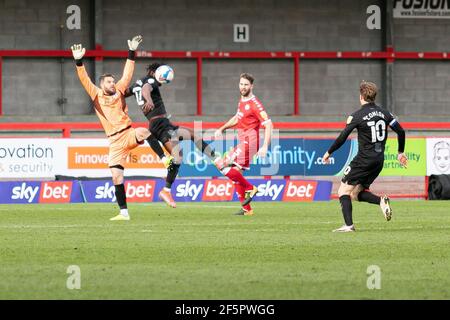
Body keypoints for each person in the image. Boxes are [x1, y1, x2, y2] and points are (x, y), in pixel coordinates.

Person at [71, 35, 149, 221]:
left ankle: (166, 158)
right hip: (114, 142)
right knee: (116, 177)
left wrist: (131, 52)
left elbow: (127, 74)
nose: (112, 84)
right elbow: (84, 79)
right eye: (108, 82)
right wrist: (78, 61)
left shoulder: (120, 89)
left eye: (113, 81)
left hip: (128, 132)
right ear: (101, 85)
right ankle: (124, 213)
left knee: (146, 131)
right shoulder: (95, 94)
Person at [125, 62, 220, 208]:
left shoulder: (138, 83)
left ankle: (217, 159)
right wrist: (149, 100)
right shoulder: (150, 81)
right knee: (178, 155)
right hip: (159, 124)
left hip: (163, 123)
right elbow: (146, 89)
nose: (161, 81)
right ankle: (166, 190)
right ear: (154, 72)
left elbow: (126, 92)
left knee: (192, 137)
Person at [322, 81, 408, 232]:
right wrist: (400, 152)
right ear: (374, 96)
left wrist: (329, 152)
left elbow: (343, 137)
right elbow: (401, 131)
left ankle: (349, 226)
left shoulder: (357, 115)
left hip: (363, 160)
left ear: (361, 96)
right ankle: (381, 201)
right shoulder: (385, 113)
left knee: (343, 191)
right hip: (379, 160)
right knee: (356, 193)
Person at [214, 73, 273, 216]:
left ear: (252, 86)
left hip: (250, 141)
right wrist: (222, 128)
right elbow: (237, 118)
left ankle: (250, 188)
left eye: (246, 84)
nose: (243, 87)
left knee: (221, 164)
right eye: (241, 84)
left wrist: (265, 146)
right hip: (244, 141)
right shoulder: (242, 100)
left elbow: (269, 124)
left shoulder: (255, 105)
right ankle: (247, 209)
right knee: (236, 174)